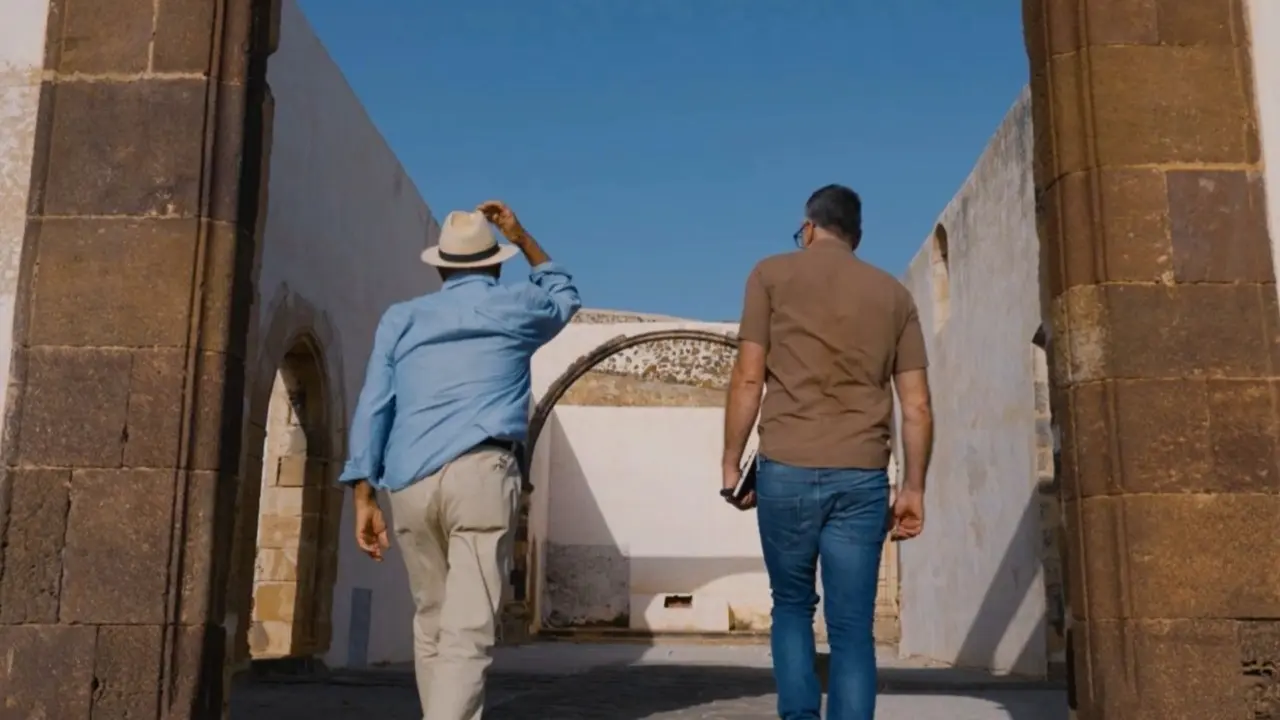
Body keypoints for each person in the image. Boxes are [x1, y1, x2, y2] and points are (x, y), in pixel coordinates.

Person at [338, 201, 581, 720]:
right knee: (468, 630)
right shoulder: (516, 306)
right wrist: (522, 234)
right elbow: (565, 295)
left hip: (409, 479)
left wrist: (363, 492)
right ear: (496, 263)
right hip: (480, 474)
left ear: (441, 267)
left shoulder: (401, 317)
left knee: (431, 620)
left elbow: (375, 402)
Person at [720, 184, 933, 720]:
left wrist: (730, 463)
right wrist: (913, 489)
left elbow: (749, 379)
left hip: (785, 469)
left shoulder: (769, 275)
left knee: (791, 608)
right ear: (856, 236)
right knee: (852, 627)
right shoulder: (894, 296)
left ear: (809, 227)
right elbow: (918, 407)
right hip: (861, 477)